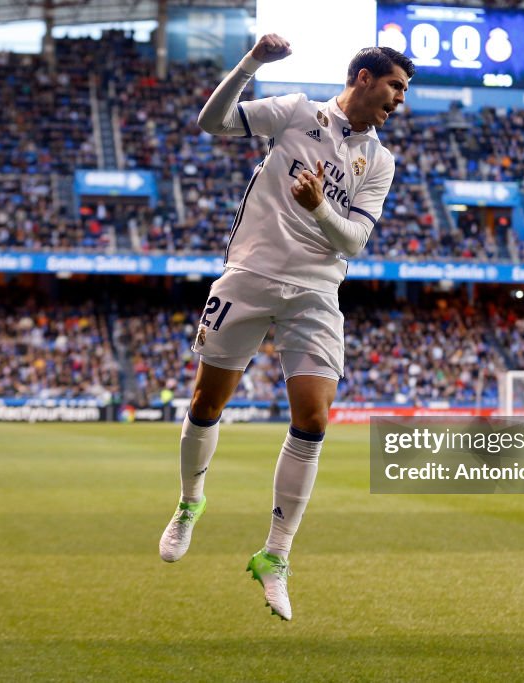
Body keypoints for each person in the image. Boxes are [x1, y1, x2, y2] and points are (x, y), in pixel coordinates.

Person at [158, 33, 414, 621]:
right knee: (205, 403)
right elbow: (212, 122)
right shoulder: (296, 110)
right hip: (249, 275)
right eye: (395, 86)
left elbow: (355, 239)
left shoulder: (379, 161)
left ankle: (275, 556)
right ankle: (190, 503)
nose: (399, 99)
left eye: (404, 90)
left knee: (314, 419)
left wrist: (320, 207)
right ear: (363, 77)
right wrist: (253, 63)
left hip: (317, 292)